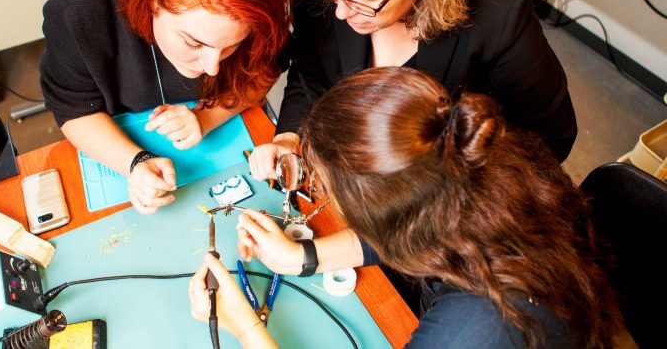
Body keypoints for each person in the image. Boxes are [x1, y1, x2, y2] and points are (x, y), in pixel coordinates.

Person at [189, 67, 622, 348]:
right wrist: (304, 256)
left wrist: (245, 327)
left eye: (325, 187)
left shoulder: (475, 330)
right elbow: (409, 220)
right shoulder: (485, 158)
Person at [248, 0, 577, 182]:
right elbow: (311, 71)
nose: (341, 10)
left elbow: (549, 140)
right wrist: (290, 138)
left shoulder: (499, 11)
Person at [40, 0, 290, 214]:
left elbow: (263, 71)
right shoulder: (81, 4)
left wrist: (206, 117)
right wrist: (135, 162)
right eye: (193, 42)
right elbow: (74, 110)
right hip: (115, 139)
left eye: (230, 47)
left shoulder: (256, 11)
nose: (212, 67)